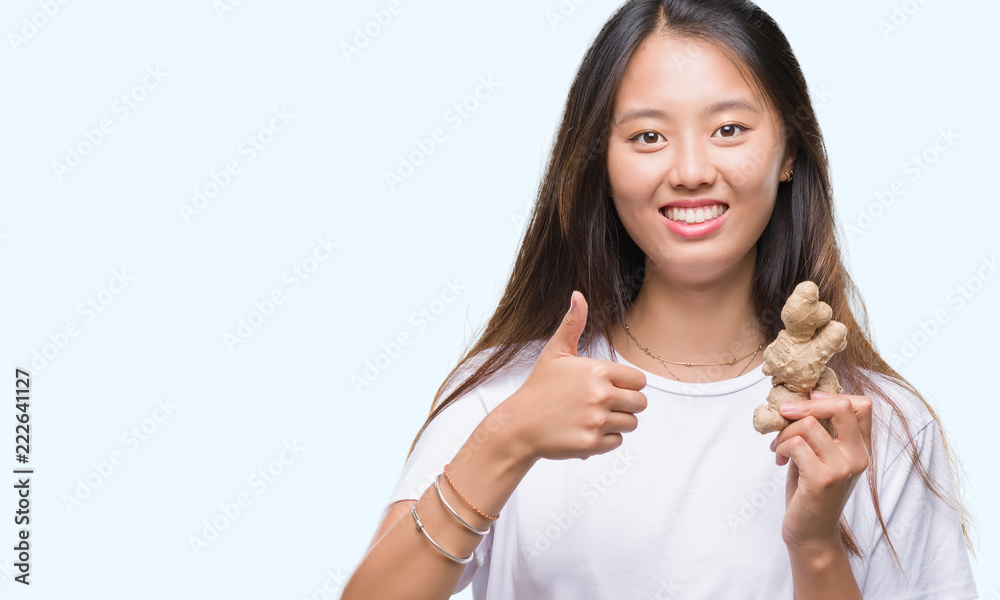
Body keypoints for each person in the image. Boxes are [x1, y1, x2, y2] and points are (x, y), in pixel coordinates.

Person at [342, 0, 978, 598]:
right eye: (648, 137)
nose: (692, 169)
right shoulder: (510, 396)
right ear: (602, 163)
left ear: (789, 152)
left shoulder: (876, 428)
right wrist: (507, 441)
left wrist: (814, 546)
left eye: (729, 128)